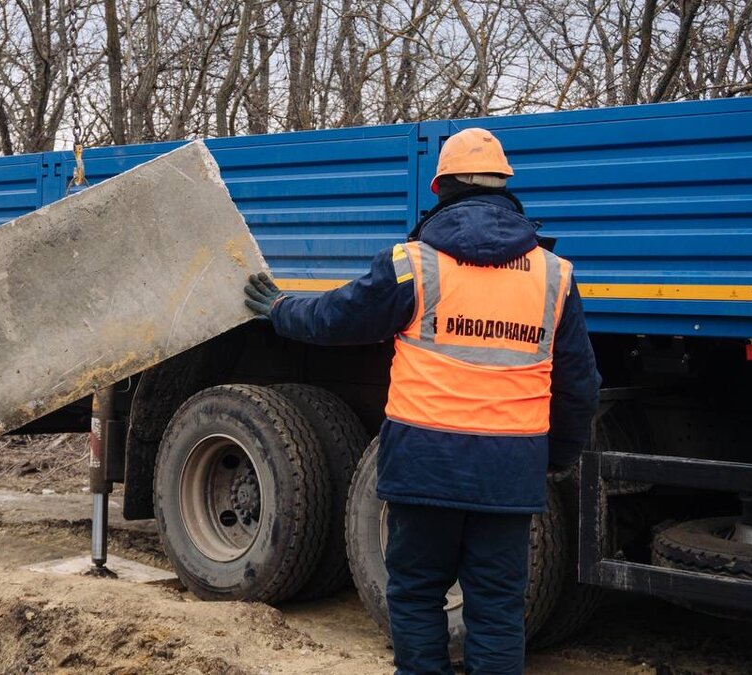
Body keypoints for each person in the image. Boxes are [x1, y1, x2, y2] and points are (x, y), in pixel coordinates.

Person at [243, 128, 600, 675]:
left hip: (423, 467)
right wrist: (554, 457)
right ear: (507, 187)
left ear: (440, 189)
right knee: (498, 611)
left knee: (414, 594)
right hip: (508, 473)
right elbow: (581, 384)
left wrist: (280, 310)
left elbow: (335, 319)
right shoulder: (554, 277)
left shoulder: (414, 264)